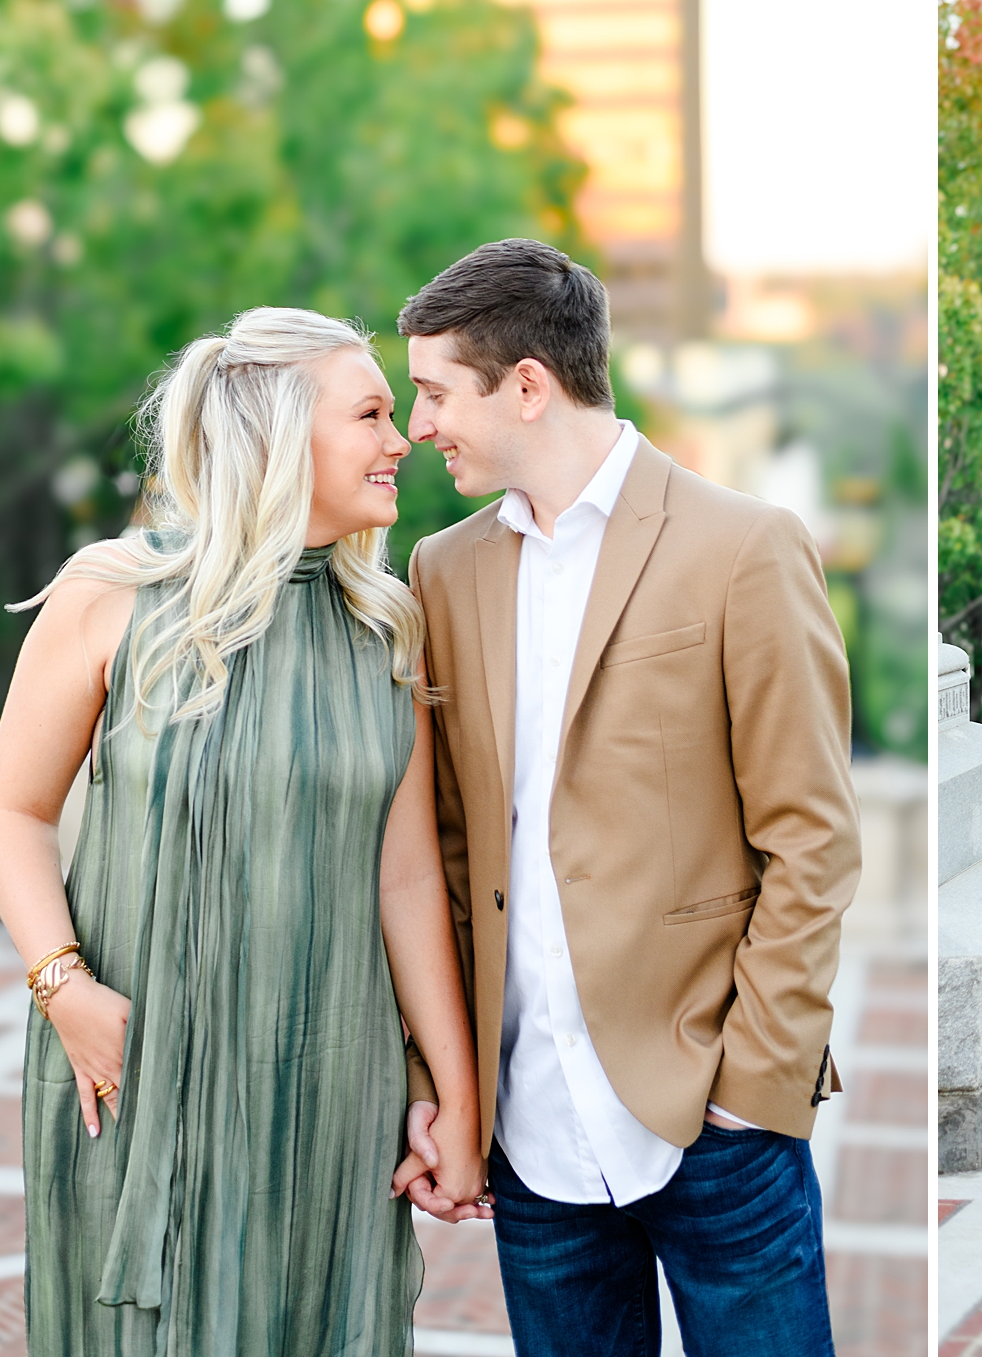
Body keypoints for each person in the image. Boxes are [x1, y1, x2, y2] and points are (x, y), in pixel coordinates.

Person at [0, 309, 485, 1354]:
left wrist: (456, 1097)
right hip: (131, 1072)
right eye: (372, 413)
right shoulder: (111, 593)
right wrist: (61, 985)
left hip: (327, 1095)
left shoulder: (388, 629)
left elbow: (405, 883)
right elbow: (13, 809)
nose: (401, 439)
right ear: (276, 433)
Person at [391, 239, 860, 1357]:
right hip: (532, 1144)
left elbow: (812, 837)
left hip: (715, 1126)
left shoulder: (744, 546)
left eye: (433, 391)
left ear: (527, 386)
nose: (418, 425)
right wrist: (445, 1083)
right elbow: (448, 858)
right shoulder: (441, 572)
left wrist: (753, 1088)